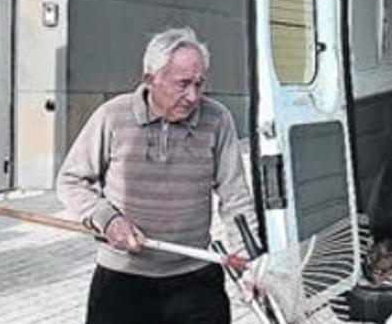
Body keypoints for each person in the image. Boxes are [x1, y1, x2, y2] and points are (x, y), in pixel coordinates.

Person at [57, 27, 254, 324]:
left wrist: (249, 259)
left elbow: (235, 197)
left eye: (200, 84)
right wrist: (106, 219)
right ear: (150, 79)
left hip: (195, 278)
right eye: (183, 84)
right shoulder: (112, 116)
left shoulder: (217, 119)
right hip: (122, 280)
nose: (193, 96)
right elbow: (72, 180)